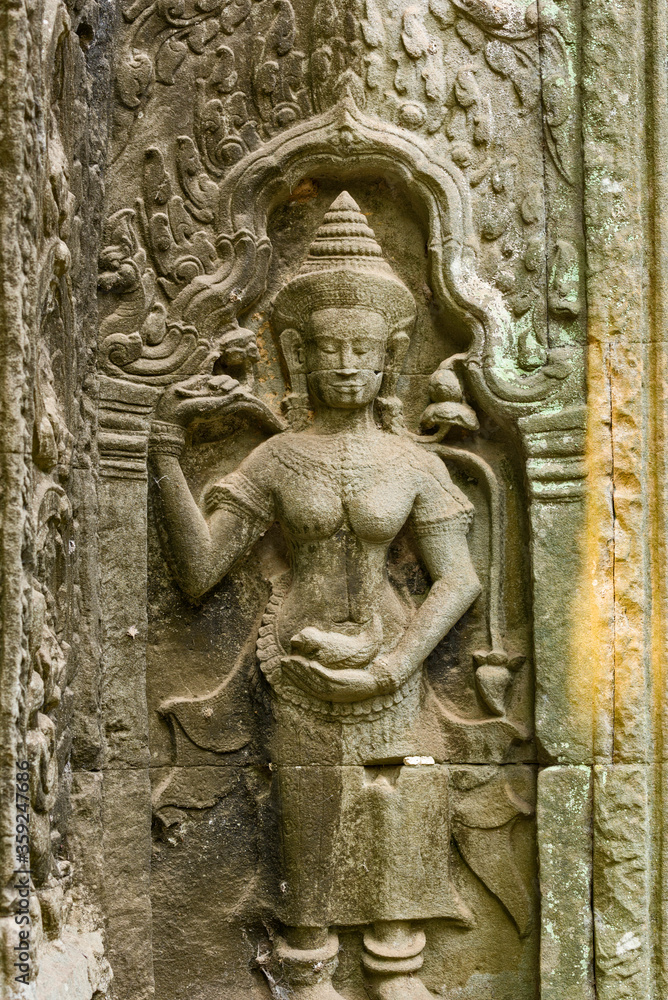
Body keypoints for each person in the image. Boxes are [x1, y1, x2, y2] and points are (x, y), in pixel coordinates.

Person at [149, 192, 481, 999]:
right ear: (298, 355)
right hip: (292, 667)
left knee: (399, 810)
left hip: (393, 668)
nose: (344, 365)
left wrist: (395, 668)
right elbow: (200, 570)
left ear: (388, 360)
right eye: (328, 349)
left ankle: (399, 969)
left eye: (362, 352)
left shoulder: (413, 464)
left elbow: (458, 578)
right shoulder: (278, 461)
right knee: (309, 835)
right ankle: (306, 974)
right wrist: (161, 448)